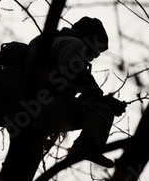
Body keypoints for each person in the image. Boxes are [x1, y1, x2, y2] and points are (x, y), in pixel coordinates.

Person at [21, 16, 127, 168]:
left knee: (22, 173)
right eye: (97, 49)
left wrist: (97, 98)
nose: (95, 56)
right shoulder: (73, 42)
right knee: (103, 111)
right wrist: (99, 98)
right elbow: (74, 69)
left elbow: (69, 92)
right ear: (89, 36)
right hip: (41, 106)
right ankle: (86, 147)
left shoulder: (52, 43)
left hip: (25, 111)